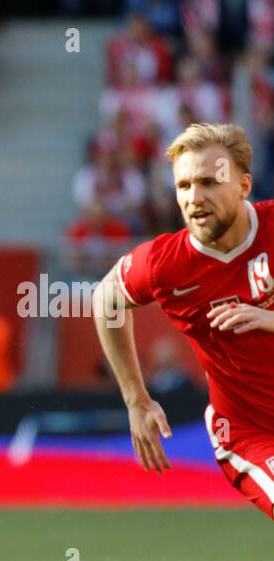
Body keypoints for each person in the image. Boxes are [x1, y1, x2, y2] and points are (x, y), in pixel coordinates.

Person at [92, 122, 274, 518]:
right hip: (252, 434)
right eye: (184, 186)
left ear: (243, 187)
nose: (195, 198)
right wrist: (136, 400)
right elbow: (105, 299)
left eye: (209, 182)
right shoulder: (164, 266)